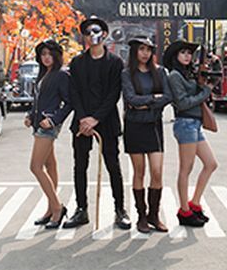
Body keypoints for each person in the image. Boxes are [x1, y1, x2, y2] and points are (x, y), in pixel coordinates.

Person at [63, 16, 131, 230]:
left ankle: (120, 210)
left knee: (113, 165)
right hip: (81, 122)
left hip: (106, 120)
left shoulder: (115, 63)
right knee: (80, 166)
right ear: (84, 37)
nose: (92, 35)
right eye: (88, 32)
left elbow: (114, 94)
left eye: (96, 31)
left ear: (104, 34)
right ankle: (81, 209)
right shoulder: (77, 62)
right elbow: (74, 92)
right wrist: (84, 118)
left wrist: (96, 118)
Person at [164, 40, 218, 227]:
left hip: (195, 124)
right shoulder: (175, 76)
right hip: (185, 123)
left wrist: (208, 73)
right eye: (183, 53)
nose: (187, 56)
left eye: (189, 53)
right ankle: (184, 211)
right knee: (186, 169)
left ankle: (194, 203)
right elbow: (183, 103)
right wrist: (205, 91)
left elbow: (205, 87)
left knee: (211, 164)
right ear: (175, 56)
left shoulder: (190, 74)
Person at [121, 36, 172, 233]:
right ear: (135, 51)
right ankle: (141, 216)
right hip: (134, 126)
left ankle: (154, 215)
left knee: (157, 171)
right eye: (141, 49)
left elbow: (167, 97)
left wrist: (144, 103)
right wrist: (153, 99)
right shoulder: (127, 73)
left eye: (148, 49)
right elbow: (130, 99)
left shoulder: (160, 72)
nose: (145, 53)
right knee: (139, 172)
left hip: (154, 125)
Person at [24, 40, 72, 229]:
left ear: (56, 56)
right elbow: (39, 99)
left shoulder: (62, 75)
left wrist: (53, 119)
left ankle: (58, 207)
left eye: (50, 54)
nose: (46, 57)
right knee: (49, 164)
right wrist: (30, 115)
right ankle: (51, 208)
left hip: (48, 125)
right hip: (38, 123)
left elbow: (69, 103)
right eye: (43, 54)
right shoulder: (44, 73)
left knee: (35, 167)